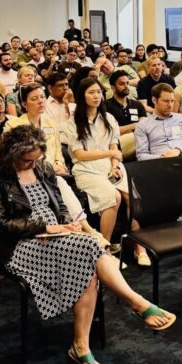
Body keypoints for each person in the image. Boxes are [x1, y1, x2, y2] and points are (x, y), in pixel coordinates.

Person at [0, 125, 174, 364]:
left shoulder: (43, 168)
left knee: (88, 257)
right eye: (27, 161)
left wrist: (66, 224)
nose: (33, 165)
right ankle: (135, 303)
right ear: (11, 154)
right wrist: (45, 227)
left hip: (57, 236)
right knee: (91, 249)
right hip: (20, 245)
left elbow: (59, 205)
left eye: (36, 159)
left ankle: (82, 345)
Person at [134, 84, 182, 267]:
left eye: (172, 101)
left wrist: (177, 150)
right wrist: (163, 158)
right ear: (154, 100)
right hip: (160, 169)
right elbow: (141, 156)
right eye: (166, 101)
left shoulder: (181, 119)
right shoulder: (143, 125)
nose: (170, 105)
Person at [63, 78, 128, 258]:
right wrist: (110, 153)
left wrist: (115, 166)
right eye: (91, 92)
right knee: (113, 196)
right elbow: (80, 155)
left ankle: (138, 246)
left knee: (132, 196)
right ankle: (104, 249)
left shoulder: (109, 118)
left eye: (99, 92)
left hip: (109, 166)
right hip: (86, 169)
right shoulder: (73, 122)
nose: (96, 96)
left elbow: (114, 146)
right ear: (82, 96)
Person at [104, 71, 142, 159]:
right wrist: (133, 126)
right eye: (122, 84)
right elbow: (109, 131)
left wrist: (123, 129)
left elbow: (144, 126)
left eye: (127, 83)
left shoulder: (137, 104)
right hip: (116, 145)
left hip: (139, 144)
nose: (126, 86)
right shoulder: (105, 106)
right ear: (113, 88)